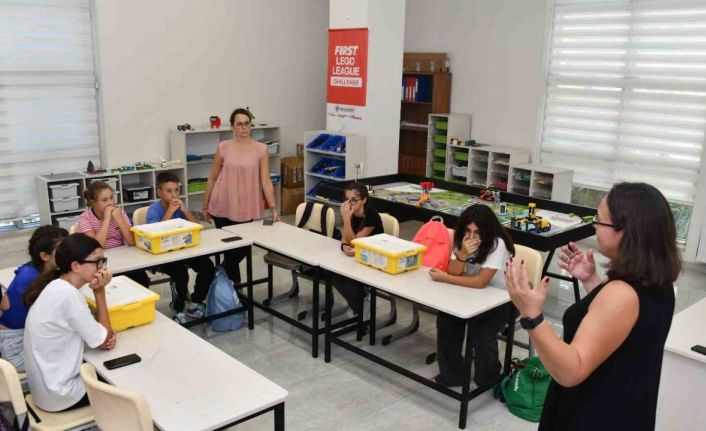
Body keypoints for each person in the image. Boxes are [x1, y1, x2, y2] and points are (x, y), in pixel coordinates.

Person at [505, 182, 680, 431]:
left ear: (625, 232)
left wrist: (531, 315)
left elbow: (571, 370)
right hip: (626, 409)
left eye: (600, 220)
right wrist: (592, 281)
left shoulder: (622, 294)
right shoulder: (657, 281)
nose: (595, 226)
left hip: (594, 414)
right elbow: (621, 331)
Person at [23, 233, 116, 412]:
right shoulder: (68, 296)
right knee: (122, 379)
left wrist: (102, 333)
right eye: (98, 262)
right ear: (75, 266)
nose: (103, 267)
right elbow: (105, 342)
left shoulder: (56, 287)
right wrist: (99, 292)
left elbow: (99, 335)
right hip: (62, 395)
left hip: (45, 390)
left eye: (103, 261)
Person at [428, 204, 514, 388]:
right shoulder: (461, 240)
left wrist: (446, 278)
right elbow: (455, 271)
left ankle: (489, 378)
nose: (472, 236)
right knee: (447, 320)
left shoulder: (497, 245)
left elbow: (480, 282)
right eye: (468, 230)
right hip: (471, 296)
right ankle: (452, 376)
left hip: (505, 301)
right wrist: (463, 254)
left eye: (478, 232)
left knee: (481, 331)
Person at [202, 108, 279, 284]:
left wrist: (274, 208)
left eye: (247, 124)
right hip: (223, 203)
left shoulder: (261, 149)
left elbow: (266, 180)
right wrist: (205, 206)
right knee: (229, 248)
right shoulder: (223, 147)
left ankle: (217, 276)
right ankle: (231, 290)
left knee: (242, 247)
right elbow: (213, 177)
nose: (244, 127)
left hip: (248, 205)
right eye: (239, 124)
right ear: (232, 127)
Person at [147, 172, 215, 324]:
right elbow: (155, 233)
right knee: (181, 275)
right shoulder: (154, 209)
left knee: (207, 266)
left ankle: (196, 302)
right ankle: (177, 308)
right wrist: (170, 212)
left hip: (184, 248)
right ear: (159, 191)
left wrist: (185, 211)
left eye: (176, 190)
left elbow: (196, 227)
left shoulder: (181, 206)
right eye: (169, 190)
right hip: (164, 254)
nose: (173, 194)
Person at [0, 226, 68, 371]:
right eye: (62, 250)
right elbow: (58, 317)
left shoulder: (37, 269)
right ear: (44, 256)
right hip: (15, 348)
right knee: (74, 350)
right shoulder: (30, 278)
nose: (69, 253)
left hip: (19, 337)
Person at [77, 181, 150, 287]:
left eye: (112, 198)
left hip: (121, 257)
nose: (110, 203)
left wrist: (119, 218)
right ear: (93, 203)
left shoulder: (119, 213)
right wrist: (106, 219)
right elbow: (95, 247)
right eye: (104, 200)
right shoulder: (85, 218)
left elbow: (132, 241)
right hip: (99, 262)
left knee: (141, 278)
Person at [334, 182, 384, 318]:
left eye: (354, 200)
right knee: (333, 274)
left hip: (374, 260)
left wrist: (345, 219)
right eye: (347, 200)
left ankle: (361, 303)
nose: (350, 204)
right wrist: (344, 246)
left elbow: (354, 241)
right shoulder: (352, 214)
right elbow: (345, 239)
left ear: (364, 200)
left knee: (351, 282)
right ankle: (357, 304)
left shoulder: (371, 217)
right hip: (357, 258)